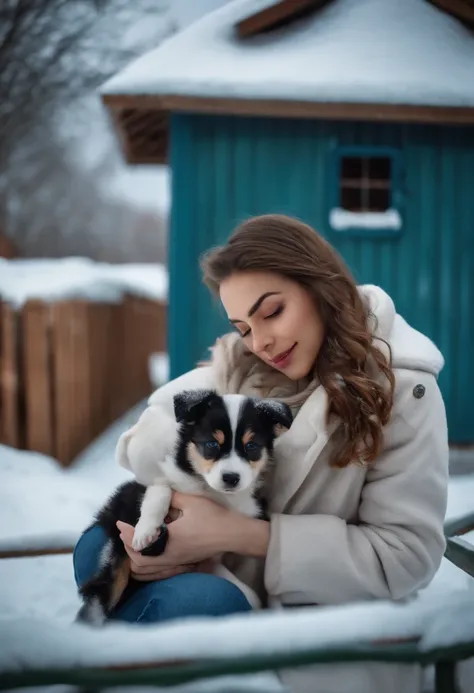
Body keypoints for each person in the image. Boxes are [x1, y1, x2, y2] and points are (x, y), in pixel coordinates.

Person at [73, 214, 449, 693]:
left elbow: (406, 556)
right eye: (243, 326)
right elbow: (143, 444)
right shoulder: (244, 369)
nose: (261, 341)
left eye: (271, 312)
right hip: (221, 576)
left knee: (189, 604)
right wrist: (159, 542)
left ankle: (78, 667)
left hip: (319, 620)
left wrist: (242, 534)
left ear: (320, 288)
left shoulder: (404, 389)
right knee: (96, 548)